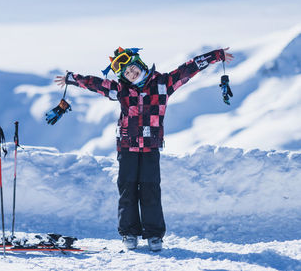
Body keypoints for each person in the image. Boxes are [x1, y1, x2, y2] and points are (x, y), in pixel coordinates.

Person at [54, 47, 234, 251]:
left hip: (151, 147)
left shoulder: (163, 84)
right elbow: (96, 84)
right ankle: (129, 233)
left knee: (150, 190)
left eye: (132, 69)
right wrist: (72, 78)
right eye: (127, 74)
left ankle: (154, 235)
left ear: (140, 65)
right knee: (127, 190)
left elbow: (188, 69)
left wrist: (215, 56)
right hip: (126, 147)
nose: (131, 75)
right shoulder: (120, 90)